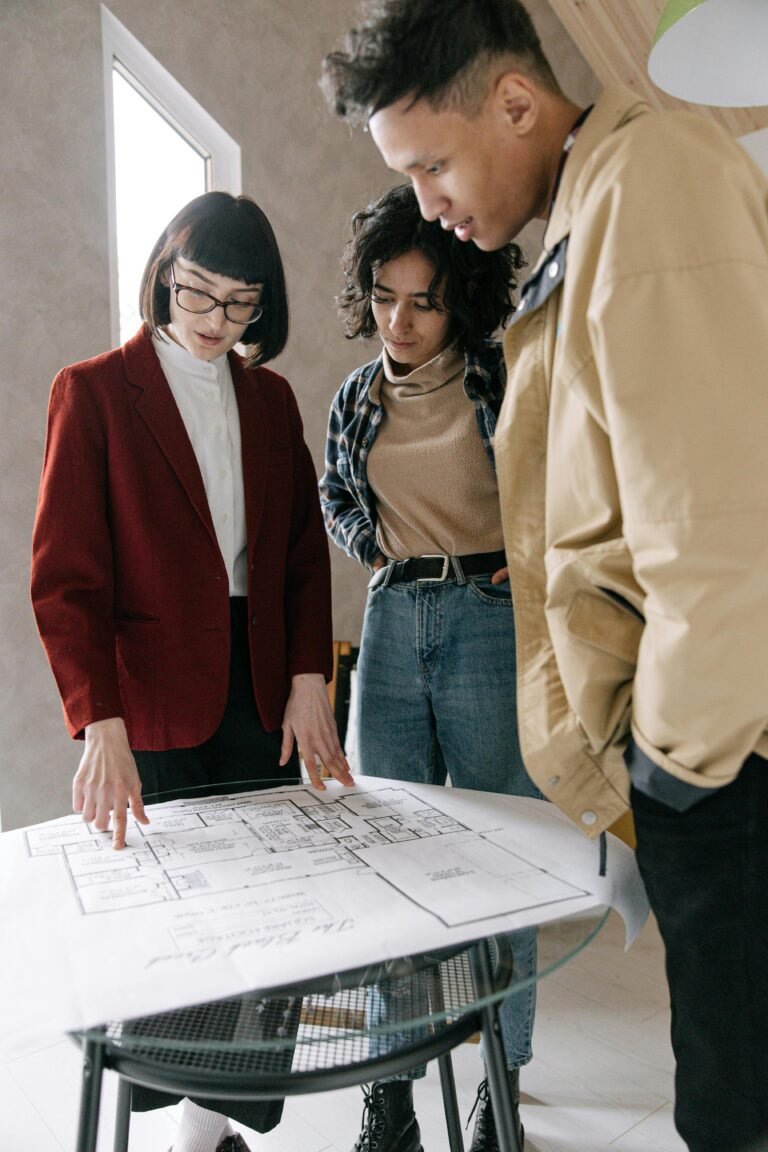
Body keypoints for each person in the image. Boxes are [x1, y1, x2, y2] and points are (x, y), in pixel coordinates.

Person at [320, 4, 768, 1152]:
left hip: (723, 774)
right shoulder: (589, 214)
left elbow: (716, 521)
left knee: (734, 1110)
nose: (426, 202)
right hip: (695, 762)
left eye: (432, 164)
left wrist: (677, 770)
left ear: (516, 103)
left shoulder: (648, 182)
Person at [31, 190, 353, 1152]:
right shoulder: (92, 391)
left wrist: (308, 675)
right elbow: (65, 579)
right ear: (163, 274)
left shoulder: (270, 397)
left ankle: (211, 1134)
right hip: (150, 699)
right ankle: (171, 1122)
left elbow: (299, 550)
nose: (214, 322)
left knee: (268, 930)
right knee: (170, 930)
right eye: (196, 295)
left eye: (240, 304)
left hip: (260, 683)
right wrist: (101, 724)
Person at [320, 182, 537, 1152]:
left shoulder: (499, 376)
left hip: (489, 621)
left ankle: (502, 1080)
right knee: (392, 874)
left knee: (505, 866)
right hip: (392, 620)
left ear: (461, 300)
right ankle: (391, 1093)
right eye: (384, 297)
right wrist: (366, 540)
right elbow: (335, 488)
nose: (399, 321)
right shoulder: (355, 399)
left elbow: (551, 481)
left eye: (423, 300)